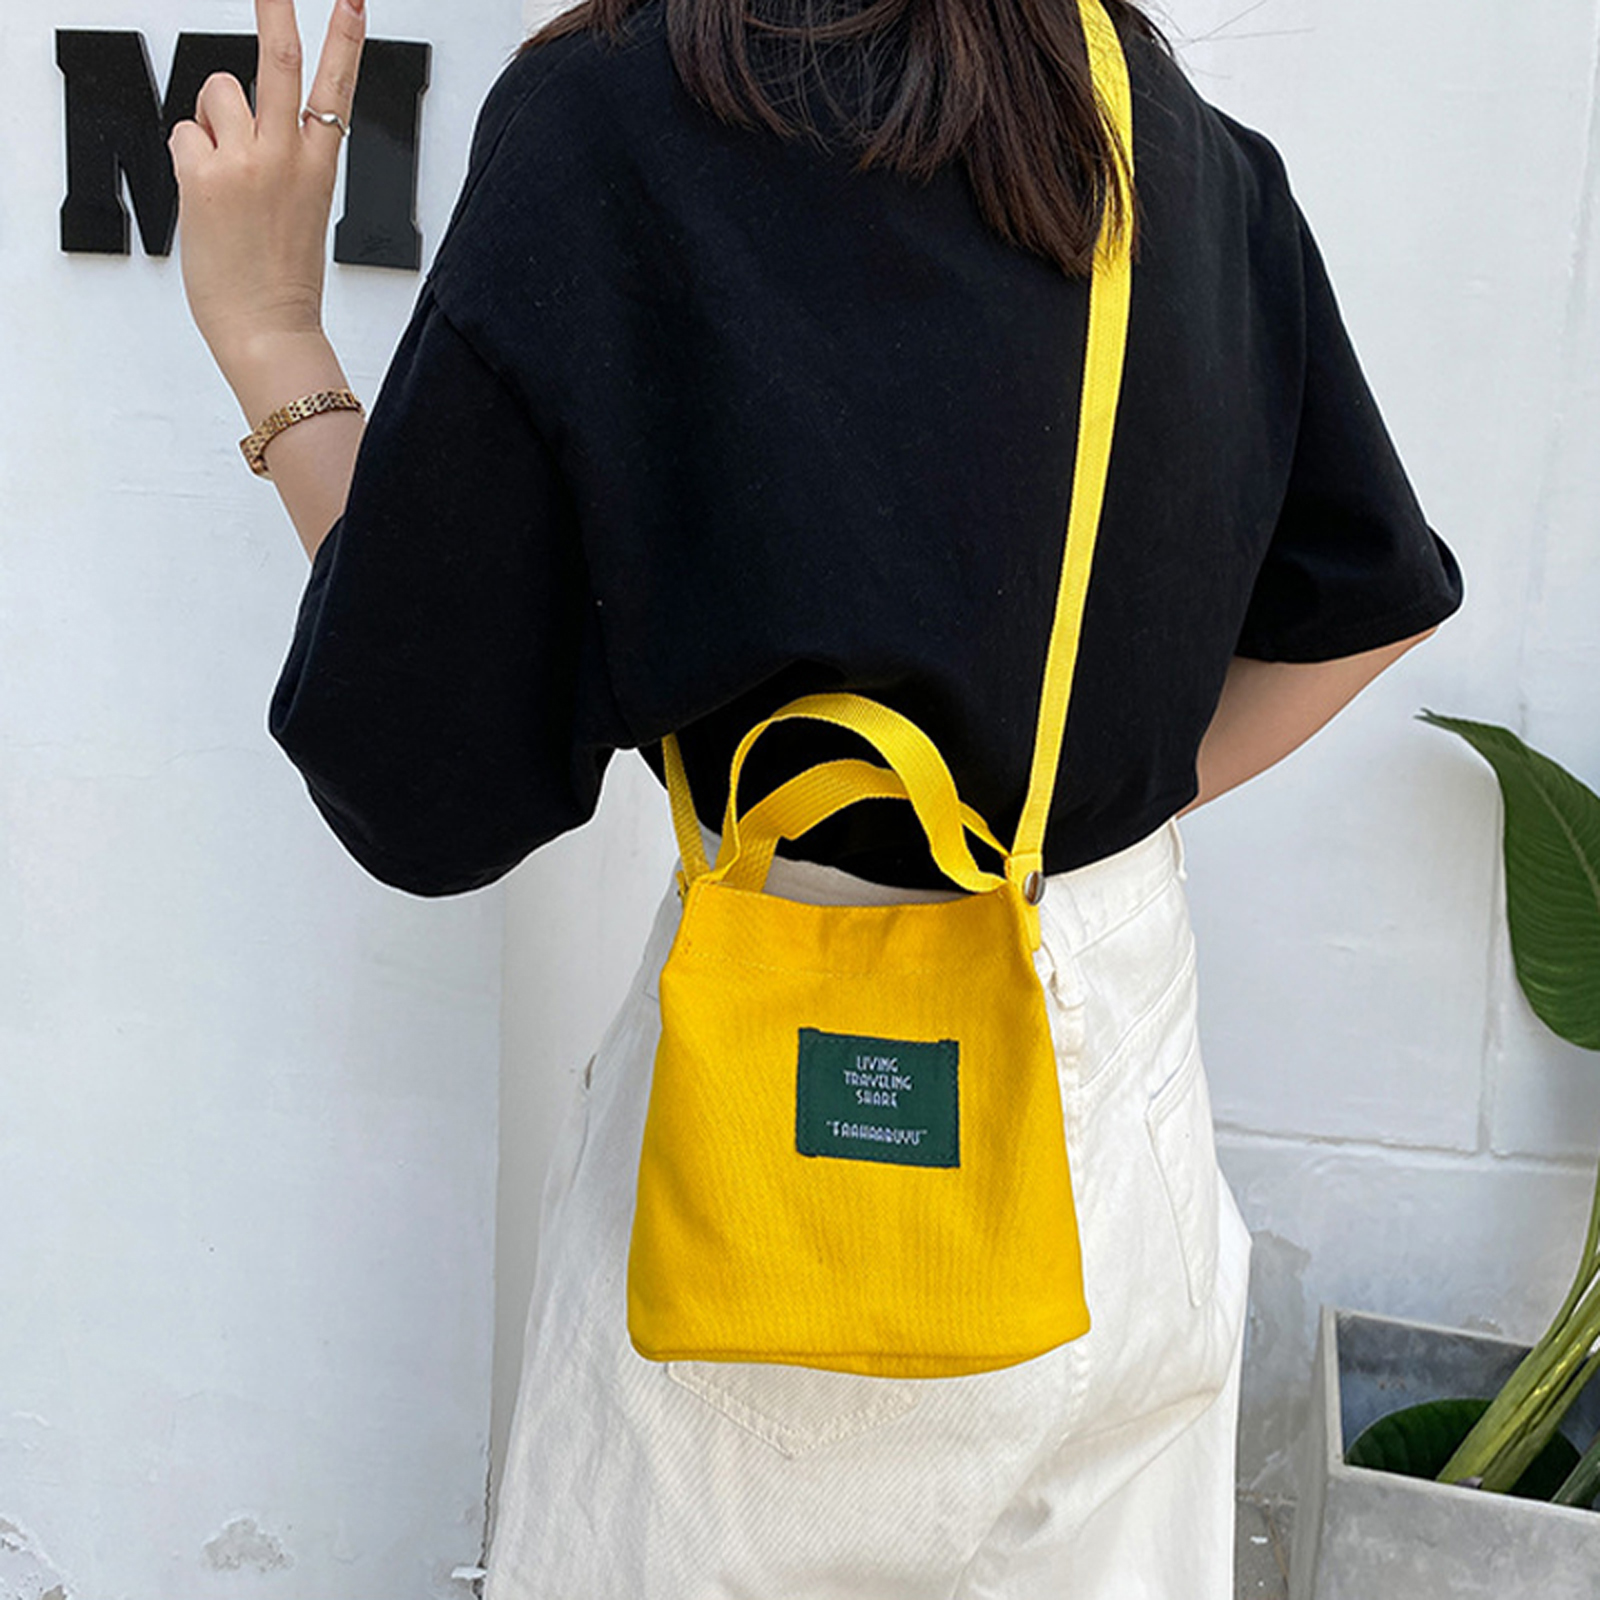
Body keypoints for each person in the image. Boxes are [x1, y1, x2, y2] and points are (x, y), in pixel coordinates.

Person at [170, 0, 1464, 1593]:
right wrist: (1079, 809)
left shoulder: (614, 125)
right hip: (1128, 1129)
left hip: (789, 1118)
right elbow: (1367, 601)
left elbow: (427, 771)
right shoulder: (1159, 134)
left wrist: (274, 336)